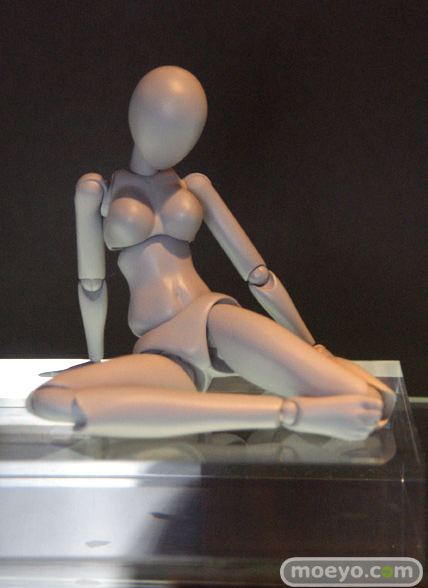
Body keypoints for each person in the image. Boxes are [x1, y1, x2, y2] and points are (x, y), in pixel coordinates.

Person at [28, 66, 395, 440]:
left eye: (186, 131)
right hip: (159, 348)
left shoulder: (194, 186)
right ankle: (288, 414)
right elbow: (91, 284)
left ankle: (296, 411)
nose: (174, 142)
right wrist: (94, 360)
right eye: (164, 122)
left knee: (365, 397)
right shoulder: (97, 191)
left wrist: (311, 344)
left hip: (210, 317)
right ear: (136, 118)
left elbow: (257, 273)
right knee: (49, 399)